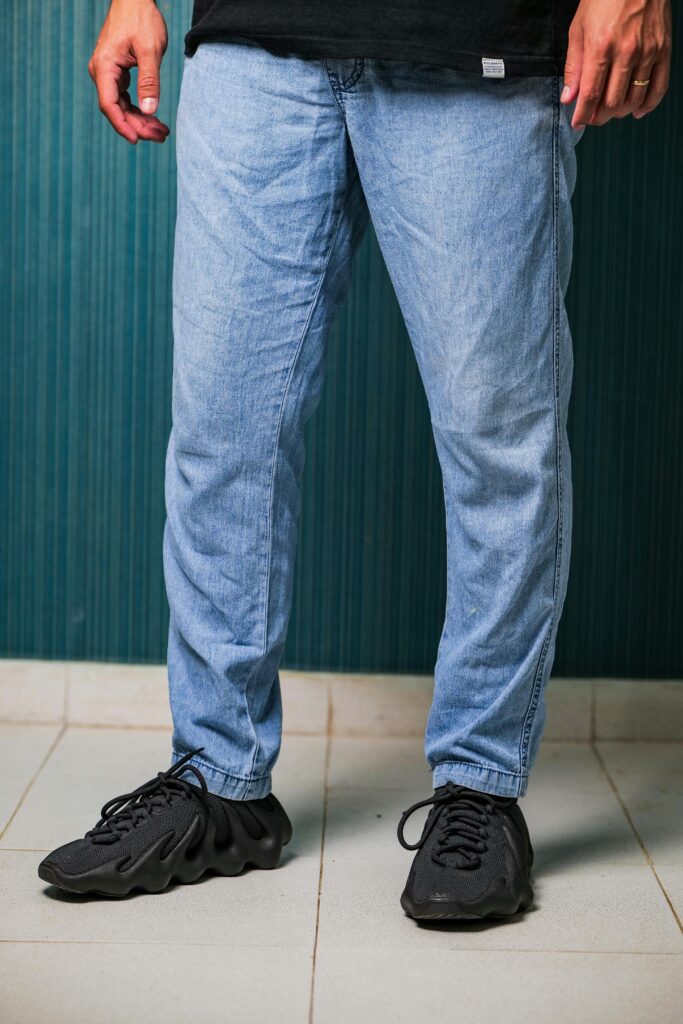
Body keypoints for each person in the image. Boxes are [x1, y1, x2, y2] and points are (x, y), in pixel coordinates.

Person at [39, 0, 671, 917]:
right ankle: (220, 782)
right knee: (223, 435)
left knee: (497, 442)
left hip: (471, 41)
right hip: (256, 40)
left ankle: (479, 789)